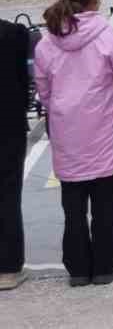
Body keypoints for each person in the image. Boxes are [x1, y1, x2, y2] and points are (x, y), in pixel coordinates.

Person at [33, 0, 113, 287]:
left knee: (73, 207)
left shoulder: (46, 43)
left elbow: (44, 91)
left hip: (67, 132)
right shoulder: (109, 38)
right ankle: (105, 265)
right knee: (107, 204)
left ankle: (77, 267)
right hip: (105, 129)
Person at [0, 17, 28, 290]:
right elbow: (24, 79)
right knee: (8, 194)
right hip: (7, 123)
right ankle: (8, 268)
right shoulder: (13, 33)